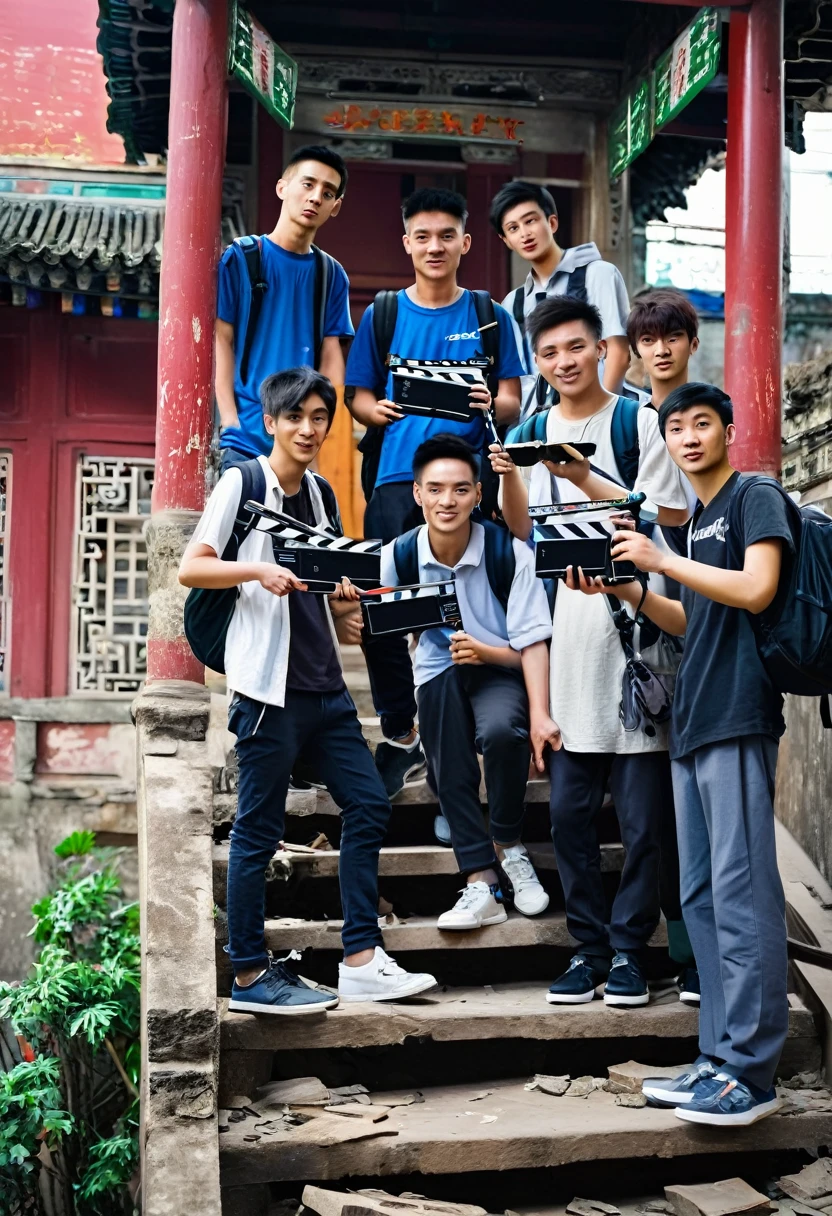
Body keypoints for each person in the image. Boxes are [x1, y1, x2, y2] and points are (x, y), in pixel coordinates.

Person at [179, 367, 436, 1012]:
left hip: (325, 690)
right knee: (257, 834)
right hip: (268, 691)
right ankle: (248, 976)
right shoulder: (242, 483)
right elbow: (193, 567)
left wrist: (347, 597)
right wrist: (257, 569)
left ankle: (360, 957)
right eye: (295, 417)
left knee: (368, 806)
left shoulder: (322, 493)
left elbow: (330, 595)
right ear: (270, 422)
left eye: (320, 417)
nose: (308, 429)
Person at [589, 383, 792, 1127]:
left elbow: (758, 588)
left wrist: (662, 561)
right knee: (702, 896)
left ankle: (755, 1070)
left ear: (729, 430)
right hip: (691, 719)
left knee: (742, 893)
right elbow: (690, 618)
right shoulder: (699, 519)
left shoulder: (751, 498)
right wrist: (635, 589)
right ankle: (718, 1055)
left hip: (739, 717)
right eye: (675, 428)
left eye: (701, 423)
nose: (688, 437)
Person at [491, 296, 690, 1008]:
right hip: (571, 646)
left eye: (575, 347)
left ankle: (634, 952)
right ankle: (590, 948)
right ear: (538, 362)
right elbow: (522, 531)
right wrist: (512, 468)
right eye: (549, 353)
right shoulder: (536, 426)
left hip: (635, 645)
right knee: (571, 817)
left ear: (603, 349)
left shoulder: (638, 421)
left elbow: (662, 514)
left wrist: (582, 476)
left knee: (642, 825)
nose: (564, 361)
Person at [346, 187, 523, 804]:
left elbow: (511, 398)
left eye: (446, 235)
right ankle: (401, 725)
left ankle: (473, 724)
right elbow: (358, 397)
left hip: (470, 483)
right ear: (407, 244)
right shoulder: (385, 313)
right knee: (383, 605)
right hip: (398, 482)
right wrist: (379, 411)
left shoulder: (487, 312)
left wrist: (488, 403)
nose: (435, 246)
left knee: (470, 606)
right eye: (422, 236)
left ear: (466, 242)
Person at [379, 434, 553, 926]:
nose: (446, 501)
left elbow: (533, 646)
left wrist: (538, 712)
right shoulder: (399, 554)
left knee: (503, 732)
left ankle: (508, 843)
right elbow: (378, 622)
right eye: (434, 490)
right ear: (417, 494)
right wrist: (353, 605)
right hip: (439, 670)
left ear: (479, 494)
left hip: (501, 665)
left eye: (459, 490)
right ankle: (481, 881)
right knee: (448, 753)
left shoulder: (508, 552)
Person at [627, 286, 703, 1000]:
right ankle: (669, 947)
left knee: (693, 805)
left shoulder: (702, 412)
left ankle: (693, 955)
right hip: (641, 605)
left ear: (690, 341)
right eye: (648, 337)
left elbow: (679, 507)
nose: (660, 348)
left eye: (670, 335)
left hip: (700, 596)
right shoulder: (633, 416)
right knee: (654, 797)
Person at [215, 145, 353, 467]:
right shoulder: (242, 258)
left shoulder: (331, 274)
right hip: (245, 439)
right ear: (282, 187)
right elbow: (221, 339)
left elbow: (332, 357)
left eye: (328, 192)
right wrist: (230, 420)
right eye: (308, 184)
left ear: (335, 206)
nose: (316, 197)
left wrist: (322, 426)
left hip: (300, 442)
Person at [490, 180, 630, 418]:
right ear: (506, 241)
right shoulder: (513, 302)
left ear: (551, 222)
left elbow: (618, 351)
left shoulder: (597, 274)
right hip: (535, 428)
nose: (524, 234)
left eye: (531, 221)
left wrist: (600, 418)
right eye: (513, 228)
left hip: (593, 417)